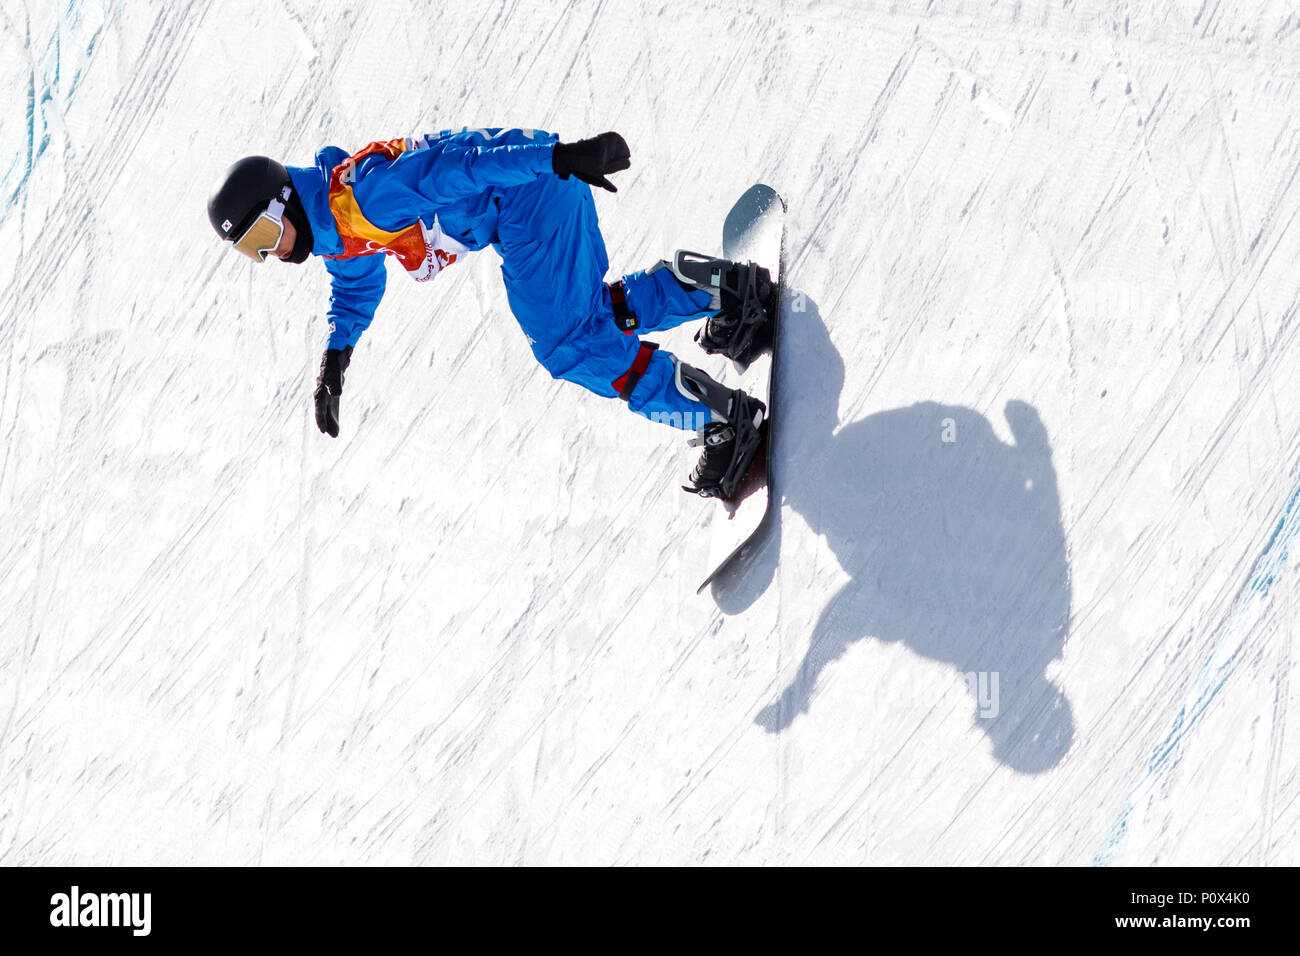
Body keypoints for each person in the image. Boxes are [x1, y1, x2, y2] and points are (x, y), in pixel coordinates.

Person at [206, 127, 774, 498]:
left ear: (283, 203)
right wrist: (336, 354)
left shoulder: (366, 199)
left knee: (568, 345)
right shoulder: (334, 218)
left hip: (527, 192)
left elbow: (461, 165)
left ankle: (725, 420)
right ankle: (728, 295)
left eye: (264, 234)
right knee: (585, 320)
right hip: (525, 202)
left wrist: (557, 158)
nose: (269, 254)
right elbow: (354, 280)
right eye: (252, 250)